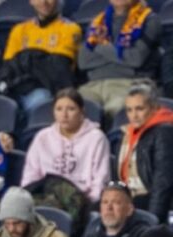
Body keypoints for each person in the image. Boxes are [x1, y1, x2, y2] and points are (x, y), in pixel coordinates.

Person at [22, 87, 110, 218]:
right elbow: (30, 176)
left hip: (80, 200)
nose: (64, 115)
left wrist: (89, 204)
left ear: (82, 112)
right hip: (47, 196)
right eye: (59, 109)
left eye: (71, 109)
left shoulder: (96, 138)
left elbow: (100, 179)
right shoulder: (42, 137)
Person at [0, 0, 82, 115]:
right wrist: (39, 58)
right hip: (16, 85)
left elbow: (58, 67)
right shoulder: (19, 30)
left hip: (45, 87)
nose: (44, 2)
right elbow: (9, 64)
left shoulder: (70, 29)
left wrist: (25, 57)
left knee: (40, 101)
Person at [79, 0, 161, 119]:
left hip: (129, 84)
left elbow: (135, 59)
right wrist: (120, 53)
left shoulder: (150, 20)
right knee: (72, 111)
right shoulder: (97, 22)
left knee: (120, 111)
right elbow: (83, 61)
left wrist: (97, 47)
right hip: (93, 86)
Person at [115, 80, 173, 223]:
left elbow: (163, 182)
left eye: (139, 109)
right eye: (129, 110)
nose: (134, 115)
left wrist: (153, 219)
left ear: (153, 108)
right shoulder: (126, 133)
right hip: (130, 199)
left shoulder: (163, 131)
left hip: (151, 201)